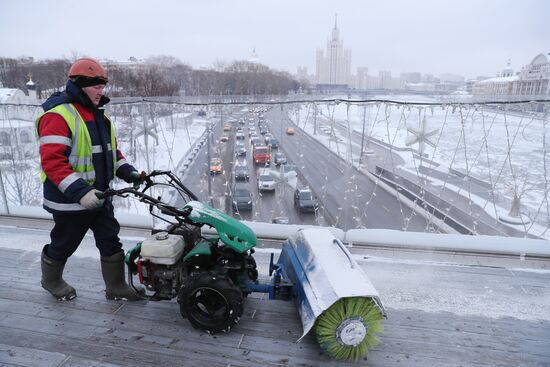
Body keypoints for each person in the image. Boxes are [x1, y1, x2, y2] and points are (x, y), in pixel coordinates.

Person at [36, 57, 144, 301]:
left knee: (110, 241)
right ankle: (51, 281)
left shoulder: (100, 117)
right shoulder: (58, 116)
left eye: (103, 86)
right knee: (64, 243)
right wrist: (81, 193)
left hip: (100, 197)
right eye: (96, 86)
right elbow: (53, 163)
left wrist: (130, 172)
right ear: (80, 84)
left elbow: (112, 155)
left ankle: (115, 287)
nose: (101, 91)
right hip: (70, 199)